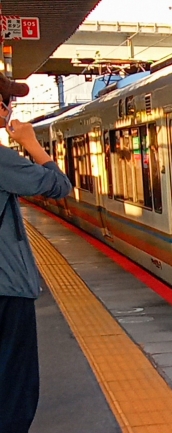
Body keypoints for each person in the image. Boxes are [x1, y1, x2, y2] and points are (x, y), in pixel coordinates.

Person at [0, 73, 72, 433]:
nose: (12, 107)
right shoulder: (2, 162)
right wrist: (31, 143)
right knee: (14, 386)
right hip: (6, 289)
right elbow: (59, 187)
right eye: (8, 100)